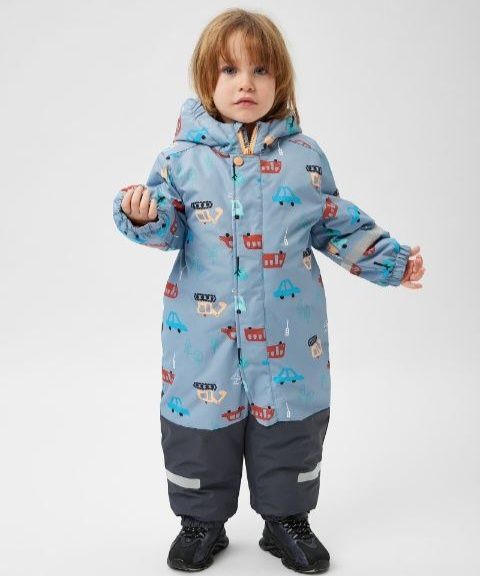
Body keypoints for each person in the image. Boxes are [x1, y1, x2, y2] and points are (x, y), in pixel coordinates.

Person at [112, 8, 425, 574]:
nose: (246, 83)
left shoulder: (303, 159)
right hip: (204, 341)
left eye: (260, 70)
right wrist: (143, 215)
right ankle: (200, 523)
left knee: (290, 427)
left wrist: (391, 263)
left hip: (290, 338)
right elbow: (168, 225)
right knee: (200, 430)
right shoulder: (180, 161)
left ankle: (287, 521)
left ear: (280, 80)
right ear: (206, 79)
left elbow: (336, 222)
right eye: (230, 70)